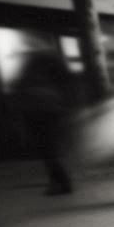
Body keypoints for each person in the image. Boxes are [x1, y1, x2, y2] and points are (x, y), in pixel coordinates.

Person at [10, 38, 76, 196]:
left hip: (39, 109)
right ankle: (59, 182)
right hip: (50, 108)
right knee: (48, 147)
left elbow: (19, 84)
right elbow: (67, 82)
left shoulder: (34, 61)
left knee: (46, 148)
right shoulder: (50, 60)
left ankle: (61, 182)